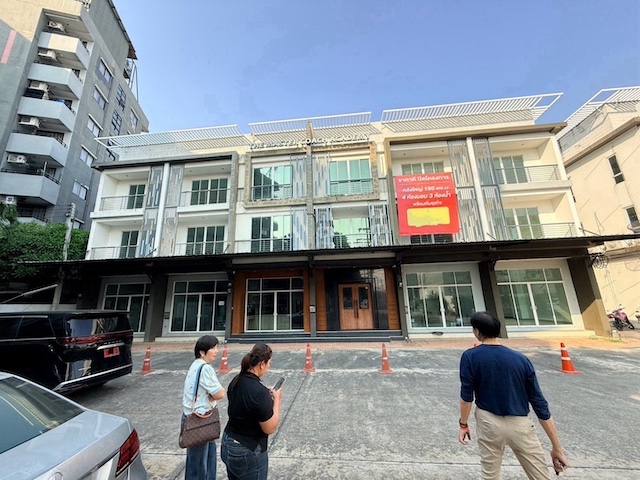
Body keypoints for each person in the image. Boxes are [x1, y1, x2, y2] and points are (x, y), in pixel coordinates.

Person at [458, 311, 569, 479]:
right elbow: (539, 402)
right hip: (521, 424)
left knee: (490, 475)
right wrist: (556, 448)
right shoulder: (521, 359)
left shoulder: (470, 357)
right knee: (540, 475)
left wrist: (463, 424)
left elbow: (467, 396)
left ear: (477, 331)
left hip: (489, 422)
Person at [221, 343, 282, 480]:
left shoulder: (236, 381)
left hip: (228, 441)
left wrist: (264, 396)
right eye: (269, 363)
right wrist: (277, 399)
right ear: (262, 364)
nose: (269, 366)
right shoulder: (259, 392)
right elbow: (270, 428)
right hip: (247, 449)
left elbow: (246, 403)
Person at [182, 335, 226, 480]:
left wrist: (209, 395)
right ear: (202, 352)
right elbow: (220, 393)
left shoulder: (195, 365)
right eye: (213, 348)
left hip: (191, 417)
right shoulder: (206, 368)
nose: (216, 351)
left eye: (217, 347)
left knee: (200, 459)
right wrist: (212, 395)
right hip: (200, 420)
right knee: (200, 464)